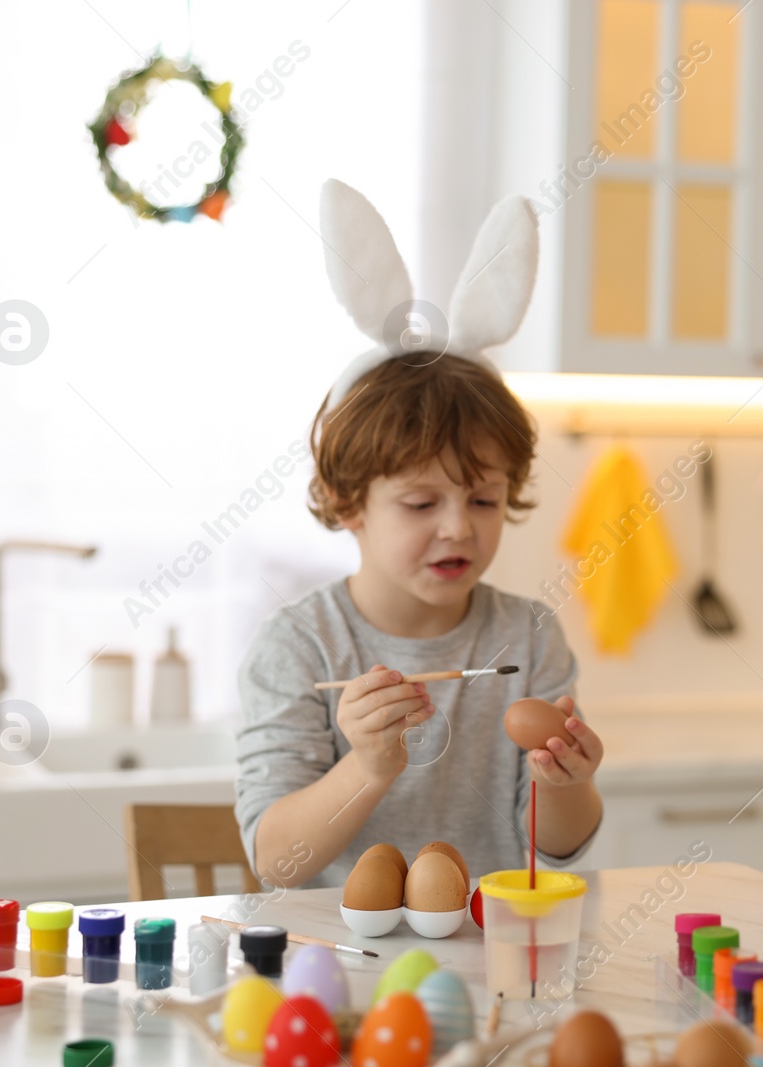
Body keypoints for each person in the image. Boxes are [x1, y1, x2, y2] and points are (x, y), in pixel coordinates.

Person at [235, 183, 602, 890]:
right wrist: (368, 766)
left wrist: (566, 780)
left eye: (484, 497)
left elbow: (559, 848)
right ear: (348, 502)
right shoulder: (300, 647)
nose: (458, 525)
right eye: (421, 501)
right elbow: (275, 859)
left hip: (487, 953)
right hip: (335, 968)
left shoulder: (527, 638)